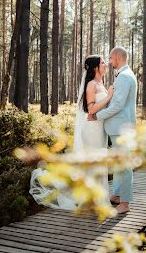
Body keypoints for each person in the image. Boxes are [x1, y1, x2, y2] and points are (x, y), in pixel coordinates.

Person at [30, 55, 113, 210]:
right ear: (95, 67)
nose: (105, 64)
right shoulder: (91, 85)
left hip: (100, 131)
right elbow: (91, 109)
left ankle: (97, 198)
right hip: (91, 131)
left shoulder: (101, 84)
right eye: (102, 63)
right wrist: (108, 97)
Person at [89, 46, 137, 214]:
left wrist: (97, 116)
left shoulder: (124, 77)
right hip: (120, 127)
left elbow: (117, 105)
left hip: (122, 128)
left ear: (118, 57)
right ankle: (116, 195)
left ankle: (125, 202)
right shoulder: (124, 75)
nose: (109, 62)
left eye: (110, 58)